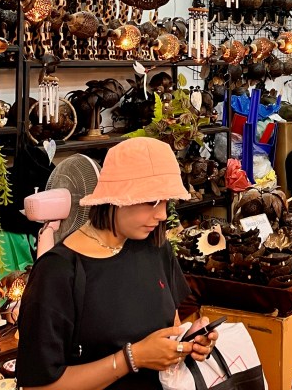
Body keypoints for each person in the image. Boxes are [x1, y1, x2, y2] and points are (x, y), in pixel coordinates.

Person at [16, 137, 219, 389]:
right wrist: (130, 359)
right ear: (116, 198)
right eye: (152, 201)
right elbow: (37, 386)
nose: (162, 214)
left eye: (167, 201)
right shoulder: (58, 272)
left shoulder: (156, 248)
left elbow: (171, 327)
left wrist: (187, 343)